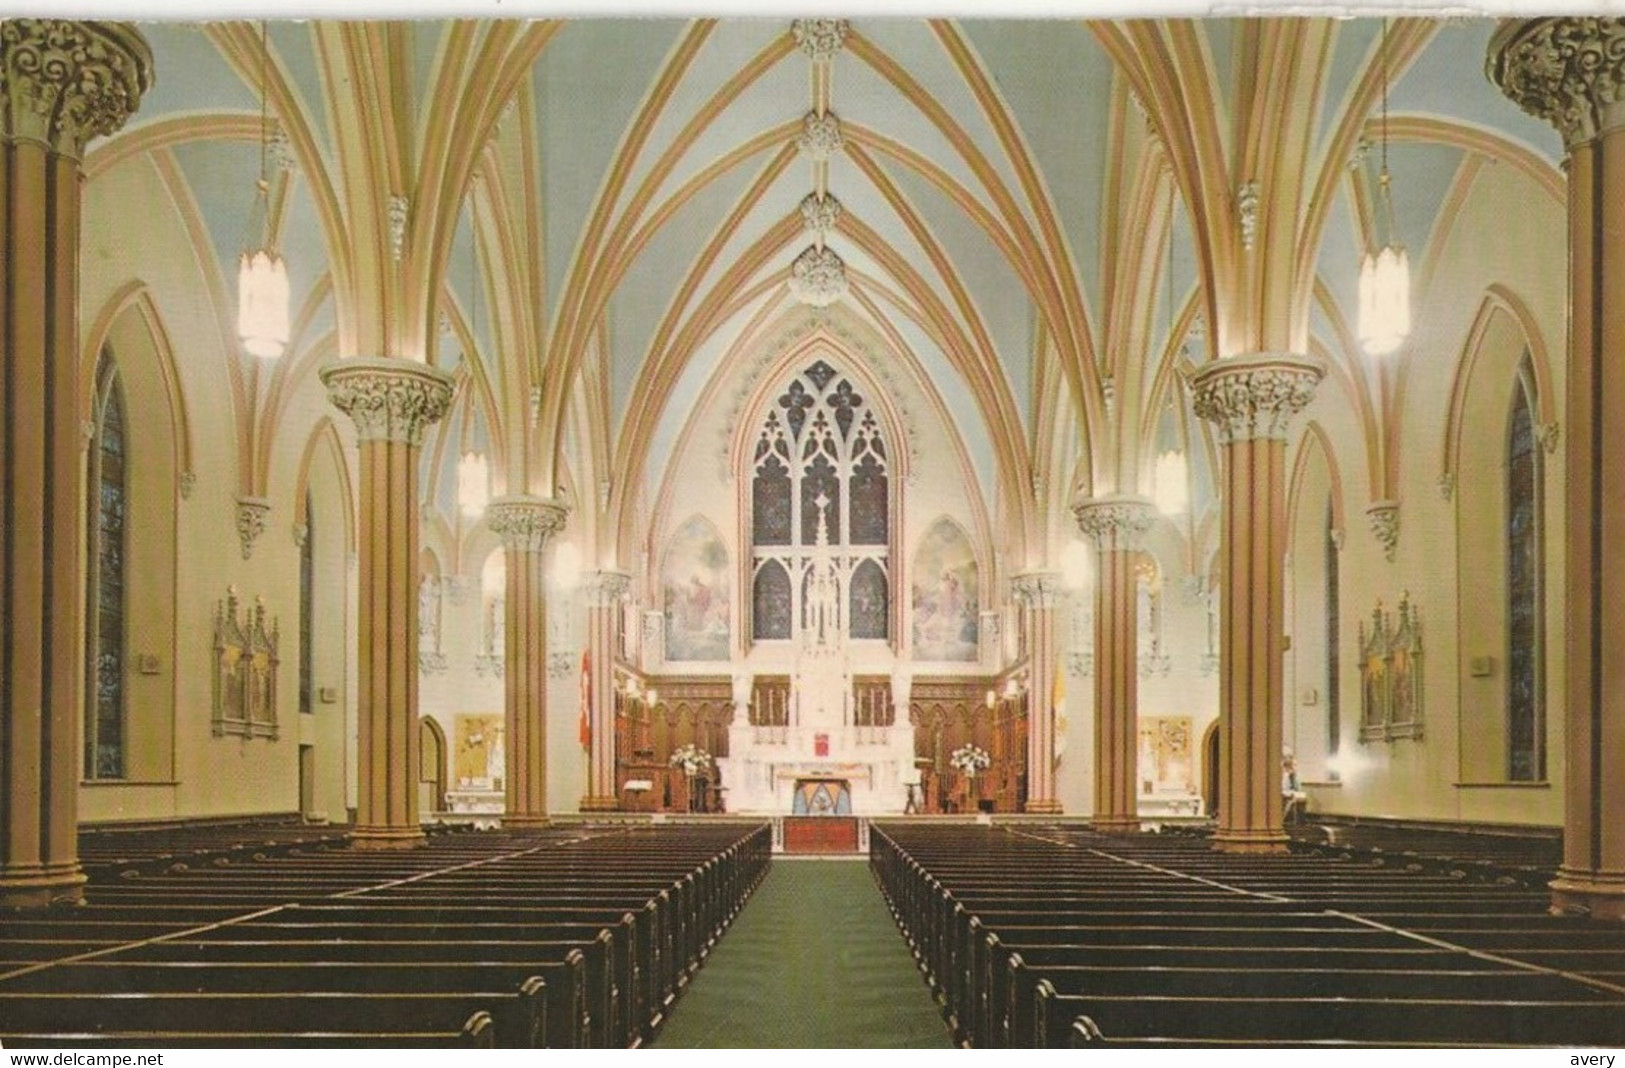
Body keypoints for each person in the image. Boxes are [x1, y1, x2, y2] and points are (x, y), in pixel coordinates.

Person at [1281, 756, 1308, 824]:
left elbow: (1298, 788)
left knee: (1302, 800)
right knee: (1289, 800)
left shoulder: (1296, 775)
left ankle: (1301, 821)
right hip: (1283, 795)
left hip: (1291, 794)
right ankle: (1283, 820)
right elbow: (1282, 788)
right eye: (1295, 765)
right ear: (1289, 766)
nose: (1296, 767)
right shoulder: (1283, 775)